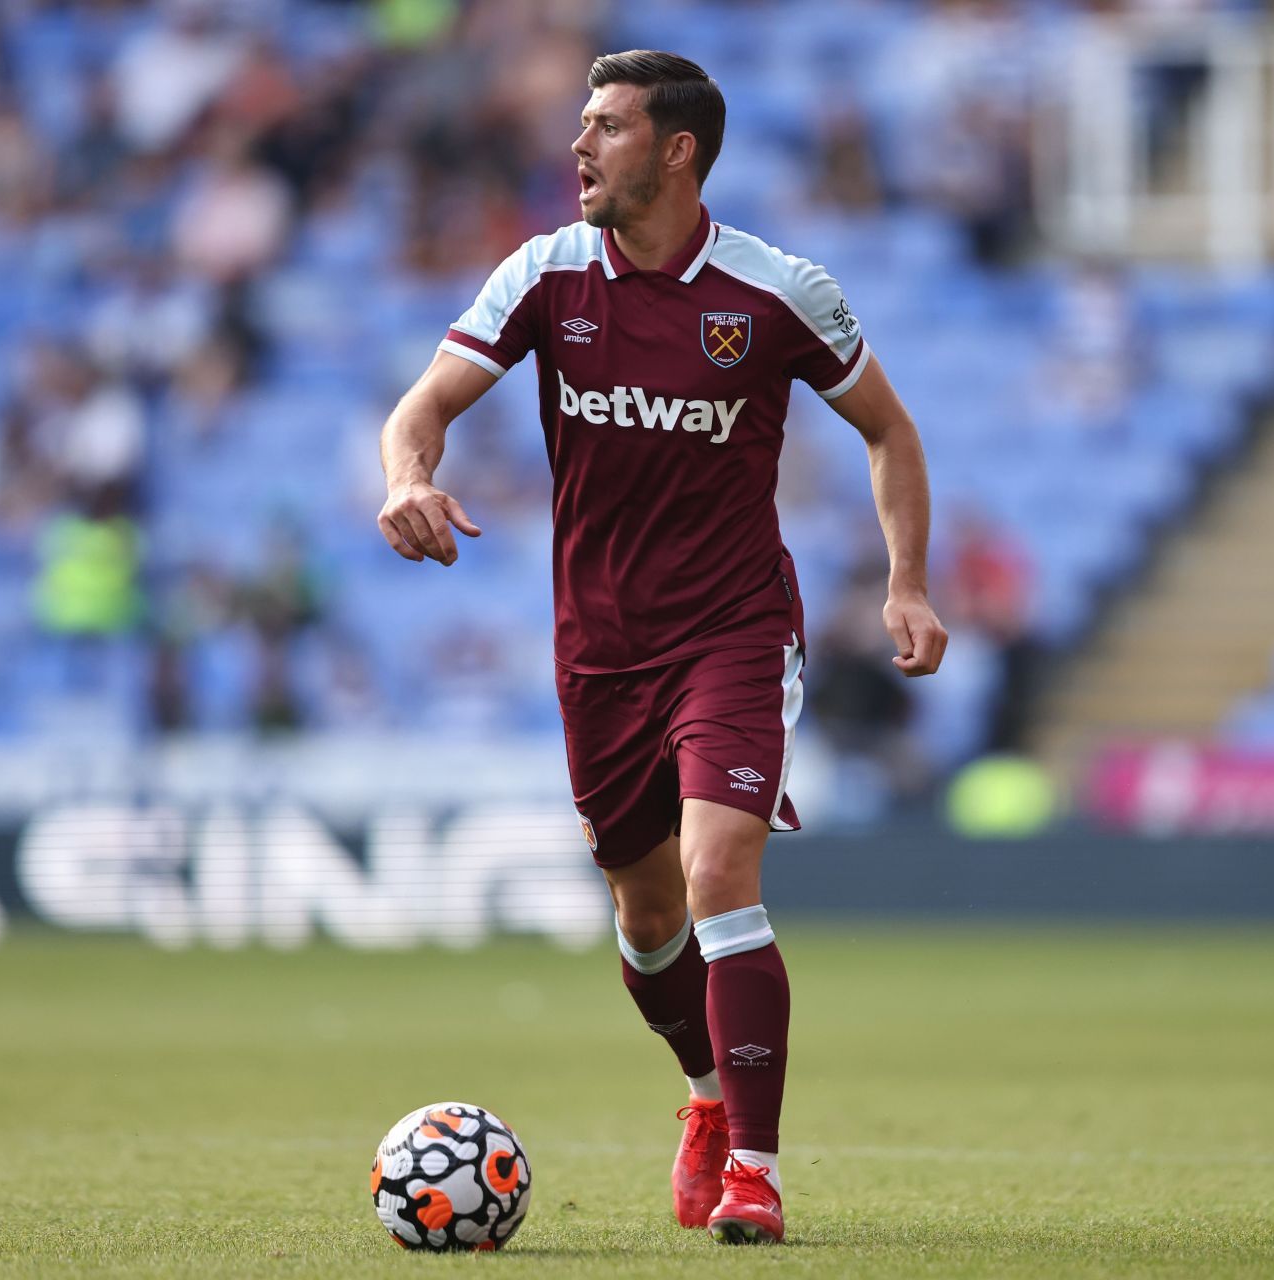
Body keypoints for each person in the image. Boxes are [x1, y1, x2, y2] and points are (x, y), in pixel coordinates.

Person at [374, 51, 947, 1245]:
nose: (578, 148)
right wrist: (404, 478)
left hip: (734, 627)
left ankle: (756, 1169)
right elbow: (420, 405)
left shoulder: (776, 291)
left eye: (606, 127)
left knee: (719, 872)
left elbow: (890, 432)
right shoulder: (546, 272)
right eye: (581, 126)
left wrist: (906, 581)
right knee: (645, 917)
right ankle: (702, 1094)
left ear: (676, 150)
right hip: (600, 648)